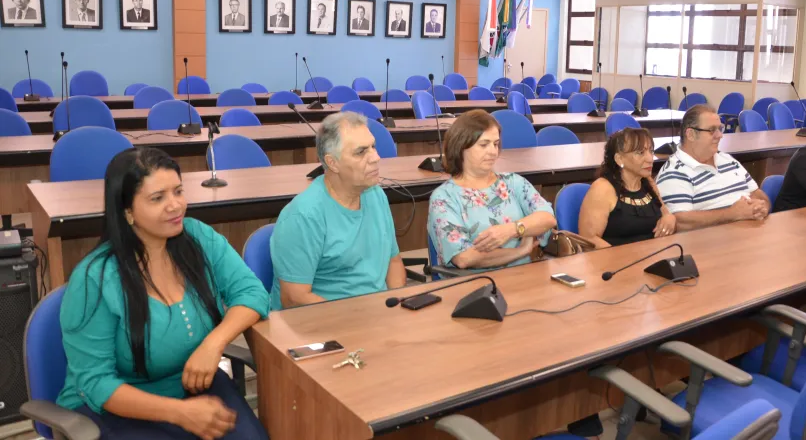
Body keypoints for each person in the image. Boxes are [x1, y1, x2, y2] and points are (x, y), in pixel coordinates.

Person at [56, 147, 269, 439]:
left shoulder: (198, 237)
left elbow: (252, 293)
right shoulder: (95, 278)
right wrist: (179, 413)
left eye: (178, 191)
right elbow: (96, 383)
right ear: (127, 211)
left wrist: (213, 343)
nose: (176, 206)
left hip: (192, 386)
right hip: (117, 407)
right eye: (158, 198)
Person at [270, 112, 405, 309]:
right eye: (361, 152)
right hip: (322, 321)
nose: (376, 157)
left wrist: (396, 306)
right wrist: (355, 318)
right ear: (333, 163)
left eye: (373, 147)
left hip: (375, 315)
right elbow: (294, 299)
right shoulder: (303, 216)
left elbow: (393, 263)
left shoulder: (376, 195)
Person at [428, 110, 557, 270]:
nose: (493, 151)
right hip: (475, 285)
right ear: (461, 147)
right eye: (484, 144)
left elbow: (548, 218)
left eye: (495, 144)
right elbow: (463, 258)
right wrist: (521, 251)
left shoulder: (513, 182)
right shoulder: (444, 198)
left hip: (523, 278)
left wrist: (511, 230)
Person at [655, 104, 769, 231]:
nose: (720, 135)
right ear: (691, 134)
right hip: (711, 245)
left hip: (751, 234)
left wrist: (761, 207)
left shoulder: (728, 160)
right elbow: (680, 221)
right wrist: (732, 214)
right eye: (711, 130)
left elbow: (758, 194)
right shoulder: (673, 172)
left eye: (720, 129)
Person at [579, 127, 676, 248]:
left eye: (651, 151)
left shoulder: (648, 182)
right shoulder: (602, 189)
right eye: (640, 153)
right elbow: (588, 239)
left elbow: (666, 213)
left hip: (652, 256)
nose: (650, 159)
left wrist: (669, 218)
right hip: (615, 262)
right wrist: (624, 258)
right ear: (619, 159)